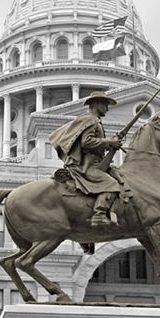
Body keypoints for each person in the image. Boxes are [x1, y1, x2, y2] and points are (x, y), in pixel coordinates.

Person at [49, 92, 125, 227]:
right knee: (111, 184)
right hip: (86, 166)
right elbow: (86, 142)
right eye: (105, 105)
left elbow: (95, 145)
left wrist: (111, 142)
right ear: (96, 104)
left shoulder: (93, 120)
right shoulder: (90, 120)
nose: (107, 109)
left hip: (95, 163)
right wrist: (109, 142)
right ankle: (99, 215)